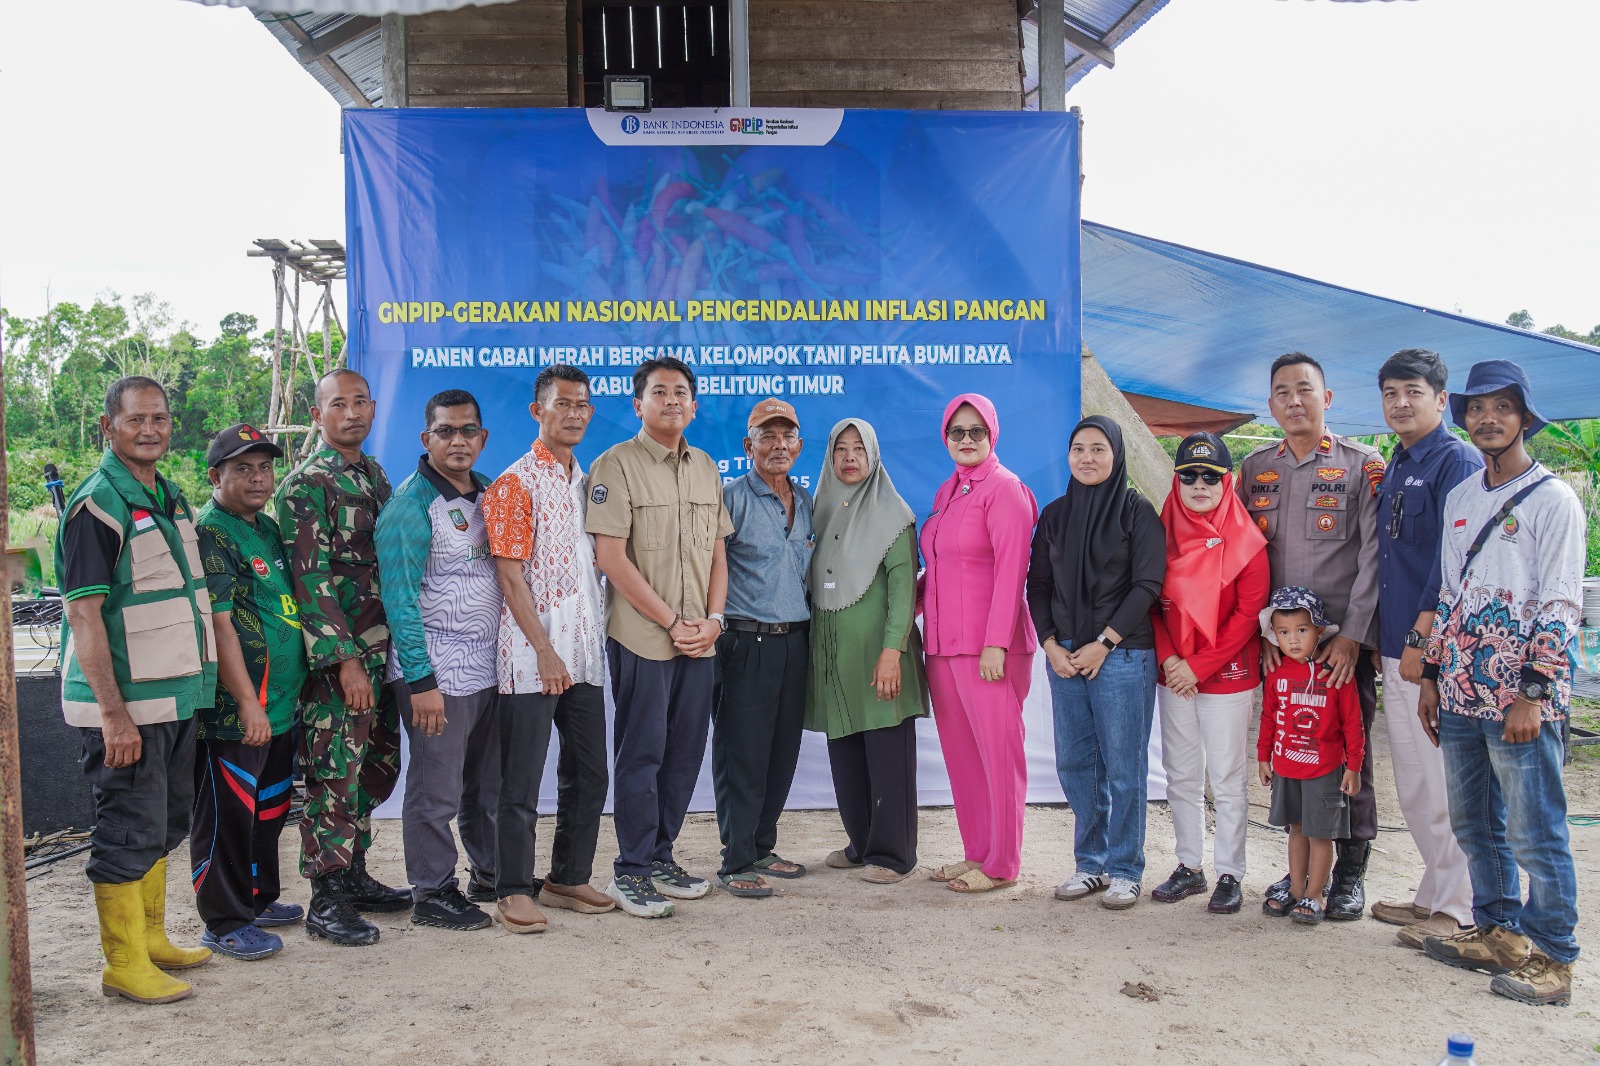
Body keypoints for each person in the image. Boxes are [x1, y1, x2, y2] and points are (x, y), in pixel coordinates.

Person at [1418, 360, 1586, 1007]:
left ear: (1523, 417)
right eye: (1478, 409)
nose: (1488, 419)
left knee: (1535, 828)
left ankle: (1554, 959)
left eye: (1502, 408)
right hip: (1460, 691)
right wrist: (1432, 673)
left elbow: (1562, 605)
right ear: (1465, 417)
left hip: (1520, 697)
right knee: (1474, 821)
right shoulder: (1462, 498)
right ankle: (1498, 931)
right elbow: (1452, 596)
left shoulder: (1554, 501)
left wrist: (1533, 693)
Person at [57, 376, 218, 1003]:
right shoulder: (98, 504)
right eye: (135, 420)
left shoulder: (168, 496)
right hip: (127, 707)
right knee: (126, 827)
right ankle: (122, 963)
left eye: (159, 418)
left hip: (174, 696)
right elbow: (84, 616)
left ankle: (151, 939)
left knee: (163, 822)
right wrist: (112, 715)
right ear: (108, 427)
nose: (149, 429)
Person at [585, 356, 733, 917]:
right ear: (638, 404)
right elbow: (610, 559)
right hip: (644, 637)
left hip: (701, 638)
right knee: (642, 754)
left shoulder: (706, 467)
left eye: (681, 393)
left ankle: (662, 855)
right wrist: (672, 622)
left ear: (694, 406)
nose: (671, 401)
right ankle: (632, 869)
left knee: (684, 754)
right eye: (659, 392)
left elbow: (719, 554)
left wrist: (713, 621)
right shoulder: (615, 466)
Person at [1238, 353, 1384, 921]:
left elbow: (1374, 556)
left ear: (1328, 398)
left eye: (1305, 390)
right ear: (1270, 404)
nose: (1293, 400)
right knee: (1291, 752)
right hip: (1281, 646)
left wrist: (1352, 636)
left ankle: (1348, 871)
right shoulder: (1254, 469)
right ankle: (1301, 872)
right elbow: (1247, 560)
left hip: (1339, 650)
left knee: (1349, 753)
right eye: (1282, 392)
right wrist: (1262, 633)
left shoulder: (1360, 464)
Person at [275, 368, 407, 946]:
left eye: (360, 403)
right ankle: (326, 896)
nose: (351, 413)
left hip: (382, 654)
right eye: (338, 404)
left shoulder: (373, 475)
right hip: (343, 661)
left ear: (373, 408)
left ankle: (353, 873)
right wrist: (345, 661)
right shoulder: (308, 484)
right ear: (317, 415)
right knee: (334, 772)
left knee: (372, 768)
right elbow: (311, 580)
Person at [482, 365, 615, 932]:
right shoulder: (515, 483)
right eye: (563, 404)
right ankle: (512, 888)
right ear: (538, 411)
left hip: (583, 655)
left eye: (583, 404)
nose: (576, 413)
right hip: (532, 658)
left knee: (590, 773)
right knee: (521, 778)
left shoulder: (586, 482)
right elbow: (510, 578)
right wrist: (544, 650)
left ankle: (566, 875)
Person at [374, 389, 503, 932]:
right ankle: (432, 891)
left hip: (489, 670)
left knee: (485, 785)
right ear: (426, 439)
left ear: (483, 438)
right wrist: (421, 680)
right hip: (436, 674)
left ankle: (491, 874)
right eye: (446, 431)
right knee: (435, 792)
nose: (458, 440)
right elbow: (398, 600)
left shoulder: (491, 493)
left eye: (467, 430)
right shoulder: (409, 506)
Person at [1029, 415, 1165, 909]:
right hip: (1064, 655)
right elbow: (1038, 585)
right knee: (1075, 762)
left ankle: (1126, 867)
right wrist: (1049, 644)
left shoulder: (1137, 512)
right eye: (1078, 449)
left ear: (1116, 455)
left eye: (1098, 449)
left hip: (1122, 656)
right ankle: (1091, 863)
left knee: (1124, 766)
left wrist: (1103, 643)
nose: (1087, 458)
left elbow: (1147, 585)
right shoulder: (1054, 515)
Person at [1370, 349, 1481, 945]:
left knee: (1441, 778)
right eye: (1390, 393)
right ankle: (1434, 889)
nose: (1401, 403)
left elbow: (1454, 561)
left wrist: (1423, 640)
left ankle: (1460, 906)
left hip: (1428, 650)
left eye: (1413, 391)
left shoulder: (1456, 461)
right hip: (1392, 642)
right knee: (1412, 780)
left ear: (1441, 399)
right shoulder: (1400, 461)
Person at [190, 424, 307, 962]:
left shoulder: (262, 526)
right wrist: (245, 701)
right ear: (215, 476)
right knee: (228, 815)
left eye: (264, 467)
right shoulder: (211, 533)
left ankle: (257, 900)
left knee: (270, 807)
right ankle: (225, 919)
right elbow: (220, 626)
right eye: (243, 469)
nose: (258, 478)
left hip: (280, 704)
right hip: (241, 709)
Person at [921, 393, 1038, 895]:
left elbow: (1013, 571)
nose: (966, 440)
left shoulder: (1005, 489)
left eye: (976, 432)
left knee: (999, 755)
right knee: (963, 756)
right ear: (945, 437)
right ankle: (977, 852)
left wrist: (995, 644)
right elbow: (939, 570)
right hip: (943, 648)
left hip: (990, 649)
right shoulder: (948, 492)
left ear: (993, 435)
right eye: (957, 432)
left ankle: (1003, 863)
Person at [1149, 432, 1268, 915]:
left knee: (1227, 775)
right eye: (1189, 476)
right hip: (1174, 673)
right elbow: (1147, 599)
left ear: (1228, 482)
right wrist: (1170, 660)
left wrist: (1195, 666)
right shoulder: (1160, 533)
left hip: (1226, 674)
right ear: (1177, 481)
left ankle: (1230, 873)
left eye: (1211, 477)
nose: (1200, 485)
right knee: (1180, 774)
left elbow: (1248, 614)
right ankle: (1189, 866)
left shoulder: (1248, 541)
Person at [807, 418, 929, 885]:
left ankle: (893, 854)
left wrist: (891, 652)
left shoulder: (894, 514)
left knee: (886, 751)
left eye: (860, 449)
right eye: (842, 449)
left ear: (874, 455)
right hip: (835, 652)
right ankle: (860, 843)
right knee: (846, 750)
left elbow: (903, 591)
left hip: (881, 654)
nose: (851, 457)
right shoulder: (820, 510)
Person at [711, 398, 814, 897]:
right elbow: (710, 570)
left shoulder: (807, 501)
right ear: (748, 445)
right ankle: (735, 860)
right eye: (767, 436)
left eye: (787, 436)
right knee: (742, 754)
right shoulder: (732, 499)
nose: (778, 445)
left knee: (781, 753)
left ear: (799, 445)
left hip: (796, 642)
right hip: (745, 641)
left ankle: (762, 845)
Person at [1256, 586, 1364, 926]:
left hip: (1324, 769)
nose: (1292, 640)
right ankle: (1296, 887)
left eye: (1301, 630)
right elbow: (1269, 716)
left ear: (1319, 630)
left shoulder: (1335, 674)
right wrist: (1263, 757)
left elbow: (1353, 722)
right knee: (1296, 830)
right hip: (1287, 767)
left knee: (1320, 834)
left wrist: (1354, 766)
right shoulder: (1276, 673)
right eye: (1283, 632)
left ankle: (1316, 894)